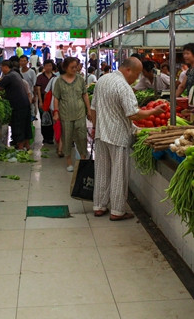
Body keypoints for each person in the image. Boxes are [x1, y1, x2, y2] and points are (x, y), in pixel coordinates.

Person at [90, 57, 167, 221]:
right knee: (119, 173)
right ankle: (117, 211)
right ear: (128, 70)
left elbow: (93, 108)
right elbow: (133, 113)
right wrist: (154, 112)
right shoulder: (124, 86)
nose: (138, 78)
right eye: (137, 74)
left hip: (101, 134)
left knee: (102, 171)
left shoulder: (102, 80)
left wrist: (95, 127)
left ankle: (99, 206)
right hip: (118, 136)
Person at [0, 61, 32, 149]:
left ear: (5, 67)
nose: (1, 70)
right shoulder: (15, 74)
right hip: (24, 103)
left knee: (18, 125)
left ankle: (20, 147)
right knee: (25, 125)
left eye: (1, 68)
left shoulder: (9, 76)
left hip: (18, 105)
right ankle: (27, 146)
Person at [52, 57, 91, 172]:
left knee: (82, 137)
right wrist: (56, 112)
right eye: (72, 67)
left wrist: (88, 110)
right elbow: (56, 98)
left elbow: (85, 95)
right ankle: (69, 161)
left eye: (76, 67)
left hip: (80, 113)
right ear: (65, 68)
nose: (75, 69)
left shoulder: (80, 79)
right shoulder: (59, 81)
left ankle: (83, 160)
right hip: (65, 115)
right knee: (67, 137)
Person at [35, 60, 57, 144]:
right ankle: (45, 137)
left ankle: (51, 137)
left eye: (50, 66)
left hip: (53, 100)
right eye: (47, 66)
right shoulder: (40, 77)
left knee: (52, 118)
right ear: (44, 67)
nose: (48, 67)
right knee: (43, 118)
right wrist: (40, 101)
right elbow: (38, 89)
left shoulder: (55, 77)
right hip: (43, 98)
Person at [19, 55, 38, 121]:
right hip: (20, 97)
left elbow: (35, 85)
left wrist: (35, 96)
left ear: (27, 62)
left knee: (30, 114)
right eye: (21, 61)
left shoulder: (31, 72)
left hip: (30, 96)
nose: (23, 62)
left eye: (24, 61)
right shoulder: (18, 71)